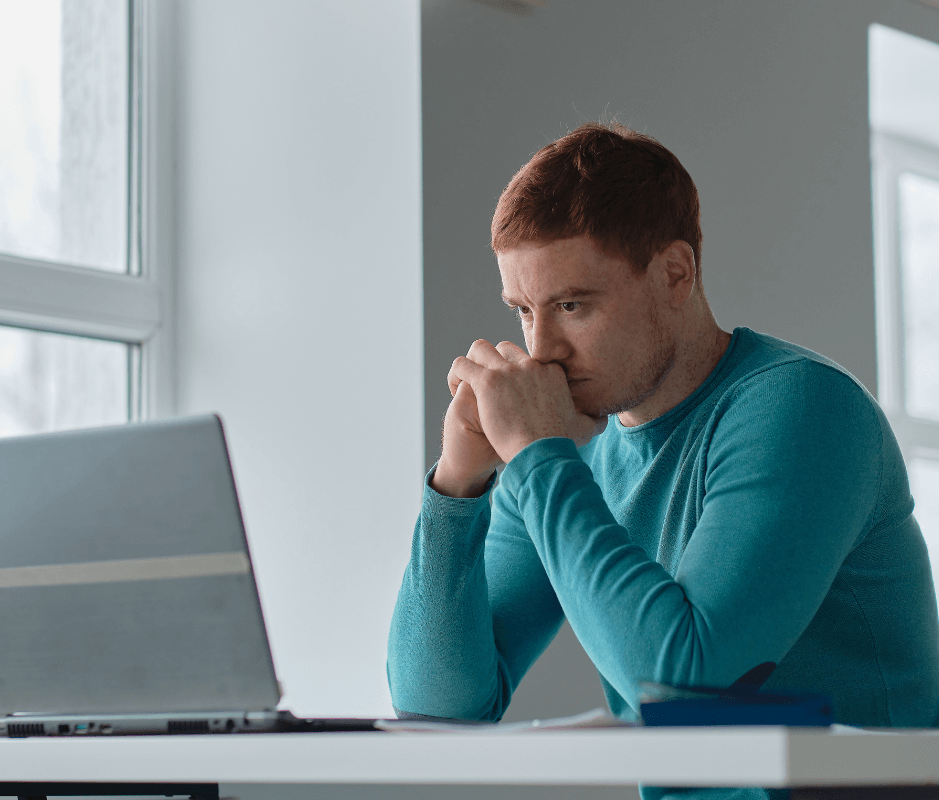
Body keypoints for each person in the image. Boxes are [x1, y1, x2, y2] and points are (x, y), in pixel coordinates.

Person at [386, 122, 939, 800]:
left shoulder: (802, 408)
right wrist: (458, 484)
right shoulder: (566, 455)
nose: (542, 348)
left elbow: (687, 681)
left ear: (675, 274)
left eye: (571, 305)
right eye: (524, 311)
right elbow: (436, 711)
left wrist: (535, 456)